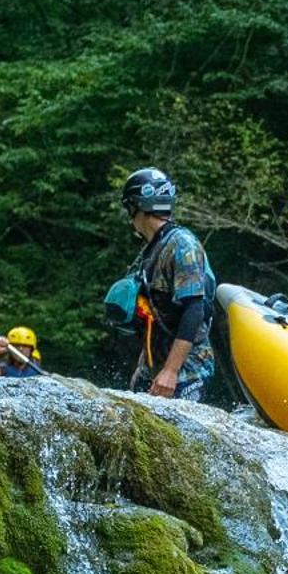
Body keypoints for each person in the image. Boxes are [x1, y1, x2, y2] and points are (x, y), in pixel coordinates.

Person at [118, 167, 215, 400]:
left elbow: (194, 310)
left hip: (187, 369)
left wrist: (171, 371)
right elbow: (155, 315)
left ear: (136, 207)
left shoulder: (182, 244)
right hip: (155, 364)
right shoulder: (151, 250)